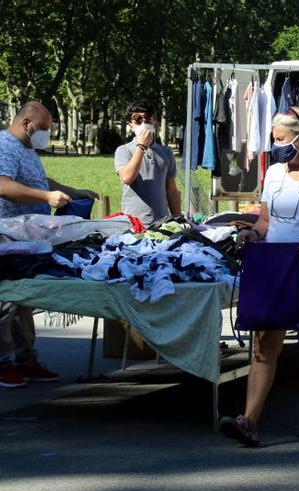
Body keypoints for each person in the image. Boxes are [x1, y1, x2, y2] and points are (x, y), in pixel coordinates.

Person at [220, 108, 299, 446]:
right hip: (274, 265)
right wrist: (253, 234)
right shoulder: (274, 173)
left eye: (279, 139)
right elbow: (265, 220)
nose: (275, 146)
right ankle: (249, 420)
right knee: (264, 345)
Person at [0, 101, 97, 387]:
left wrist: (70, 191)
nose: (46, 135)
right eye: (43, 129)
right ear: (26, 123)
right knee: (6, 301)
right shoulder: (4, 145)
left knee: (24, 300)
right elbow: (3, 185)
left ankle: (26, 359)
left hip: (27, 238)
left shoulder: (26, 149)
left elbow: (39, 180)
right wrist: (45, 198)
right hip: (7, 236)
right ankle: (3, 364)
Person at [114, 101, 181, 226]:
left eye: (147, 119)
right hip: (134, 225)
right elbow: (127, 178)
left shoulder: (166, 152)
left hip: (163, 223)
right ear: (131, 124)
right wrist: (141, 146)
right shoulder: (124, 150)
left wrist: (178, 220)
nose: (143, 123)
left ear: (154, 122)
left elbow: (171, 191)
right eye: (138, 119)